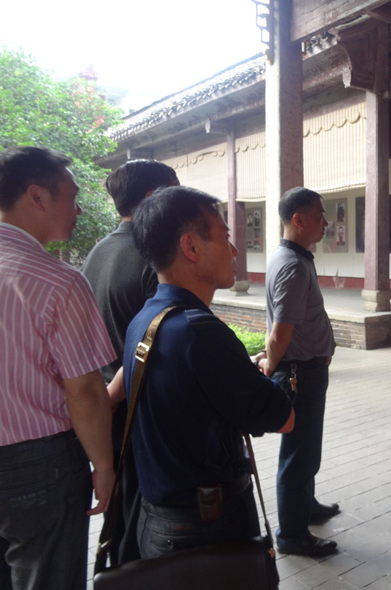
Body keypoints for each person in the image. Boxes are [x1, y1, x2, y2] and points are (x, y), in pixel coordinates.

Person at [123, 185, 295, 558]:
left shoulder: (144, 319)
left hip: (160, 523)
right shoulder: (200, 332)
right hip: (206, 531)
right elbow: (284, 419)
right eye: (224, 237)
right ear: (191, 247)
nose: (234, 251)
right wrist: (276, 378)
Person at [0, 146, 115, 590]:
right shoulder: (57, 281)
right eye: (72, 196)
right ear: (38, 196)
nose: (79, 209)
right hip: (38, 466)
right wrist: (102, 465)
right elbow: (83, 390)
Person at [81, 159, 179, 564]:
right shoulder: (153, 259)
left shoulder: (97, 253)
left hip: (109, 407)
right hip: (138, 409)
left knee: (122, 517)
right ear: (154, 197)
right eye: (175, 191)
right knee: (145, 522)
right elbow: (149, 347)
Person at [258, 186, 339, 556]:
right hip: (299, 374)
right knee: (298, 455)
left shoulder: (293, 257)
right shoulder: (292, 265)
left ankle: (306, 505)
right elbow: (281, 331)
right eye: (319, 216)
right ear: (298, 220)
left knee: (307, 449)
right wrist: (269, 363)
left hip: (306, 371)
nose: (325, 223)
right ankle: (292, 534)